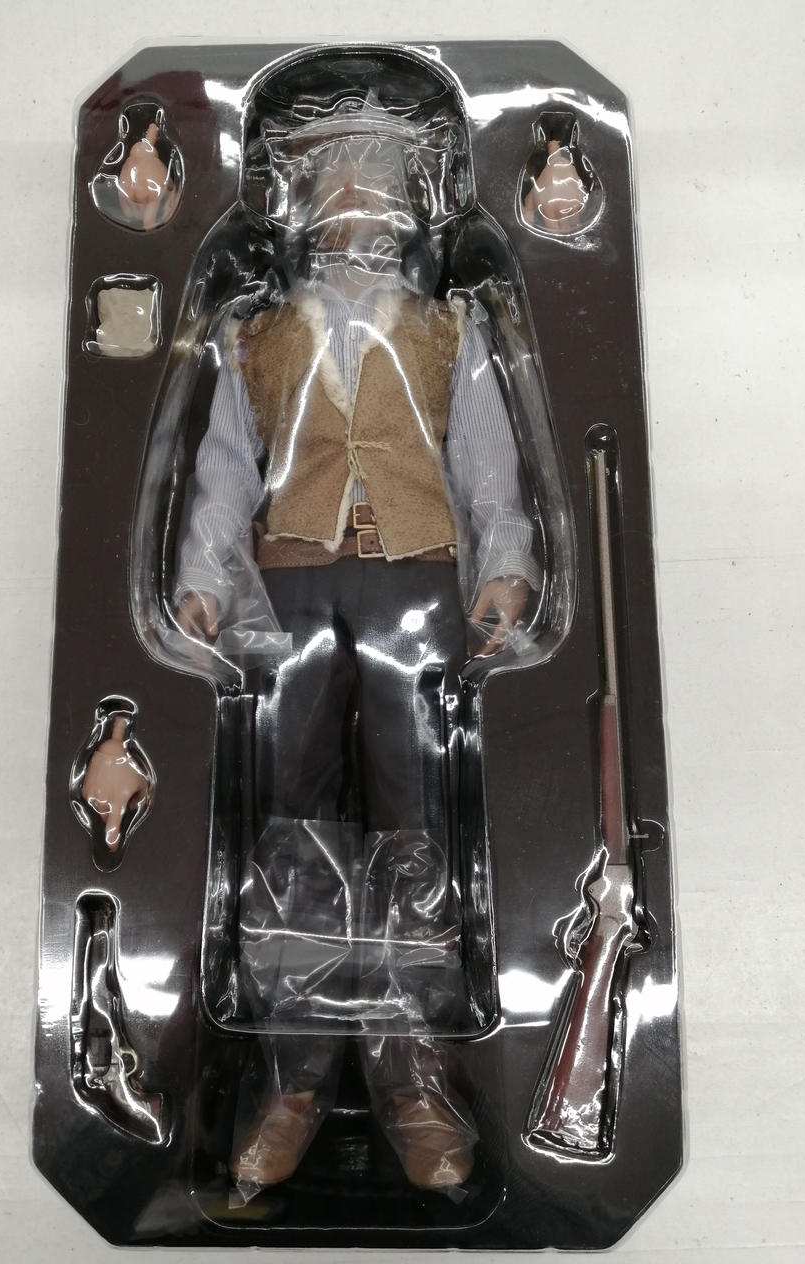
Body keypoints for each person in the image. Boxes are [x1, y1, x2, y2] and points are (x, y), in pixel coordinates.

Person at [169, 97, 543, 1196]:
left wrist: (505, 564)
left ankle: (413, 1074)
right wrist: (202, 581)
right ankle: (292, 1075)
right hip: (288, 589)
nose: (355, 200)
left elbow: (487, 466)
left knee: (413, 821)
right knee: (292, 822)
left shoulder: (447, 329)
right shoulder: (257, 333)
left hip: (417, 584)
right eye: (336, 180)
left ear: (399, 203)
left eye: (373, 180)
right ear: (308, 204)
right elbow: (223, 467)